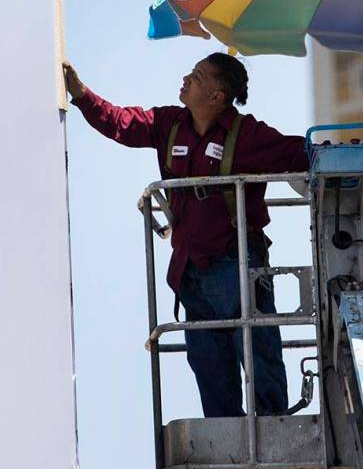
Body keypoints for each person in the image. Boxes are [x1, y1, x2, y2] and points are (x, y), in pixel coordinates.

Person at [64, 53, 307, 418]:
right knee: (208, 360)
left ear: (216, 97)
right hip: (191, 270)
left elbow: (298, 152)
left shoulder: (248, 136)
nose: (186, 79)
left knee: (257, 347)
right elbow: (121, 124)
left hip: (235, 262)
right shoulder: (169, 123)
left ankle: (272, 425)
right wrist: (81, 94)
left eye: (197, 76)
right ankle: (225, 434)